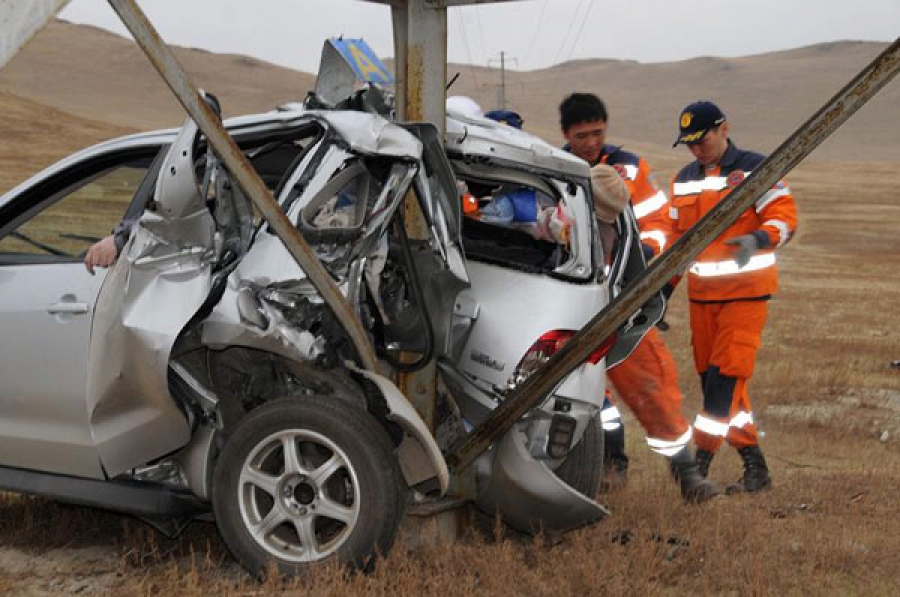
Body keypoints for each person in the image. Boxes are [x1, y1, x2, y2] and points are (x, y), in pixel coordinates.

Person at [560, 93, 717, 502]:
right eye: (582, 135)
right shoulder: (555, 171)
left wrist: (645, 258)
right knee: (591, 397)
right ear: (566, 135)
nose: (591, 142)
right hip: (575, 303)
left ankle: (686, 473)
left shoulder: (629, 169)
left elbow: (659, 223)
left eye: (598, 133)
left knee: (652, 387)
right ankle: (608, 467)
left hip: (625, 301)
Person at [668, 100, 798, 493]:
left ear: (723, 129)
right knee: (719, 388)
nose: (695, 150)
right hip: (702, 298)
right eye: (688, 143)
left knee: (725, 382)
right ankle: (756, 470)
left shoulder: (756, 168)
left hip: (746, 295)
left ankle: (697, 468)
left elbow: (785, 219)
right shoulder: (684, 178)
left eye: (701, 140)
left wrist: (760, 238)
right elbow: (677, 244)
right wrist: (661, 292)